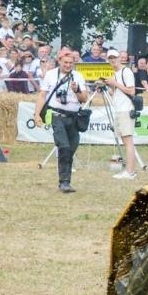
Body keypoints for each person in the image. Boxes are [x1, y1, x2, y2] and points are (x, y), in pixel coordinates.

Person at [34, 47, 88, 193]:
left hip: (73, 117)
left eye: (71, 62)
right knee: (63, 146)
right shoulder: (51, 75)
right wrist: (37, 114)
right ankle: (64, 182)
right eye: (65, 62)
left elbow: (84, 99)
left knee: (71, 148)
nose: (68, 65)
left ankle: (65, 180)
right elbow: (42, 95)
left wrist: (76, 90)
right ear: (59, 61)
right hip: (57, 116)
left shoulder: (78, 76)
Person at [104, 49, 141, 179]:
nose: (113, 60)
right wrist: (108, 86)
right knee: (125, 141)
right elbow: (114, 92)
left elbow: (132, 91)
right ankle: (128, 170)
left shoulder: (126, 72)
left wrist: (115, 83)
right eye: (110, 58)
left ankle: (130, 172)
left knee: (128, 141)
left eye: (114, 57)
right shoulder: (115, 73)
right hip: (119, 109)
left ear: (120, 58)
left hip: (126, 109)